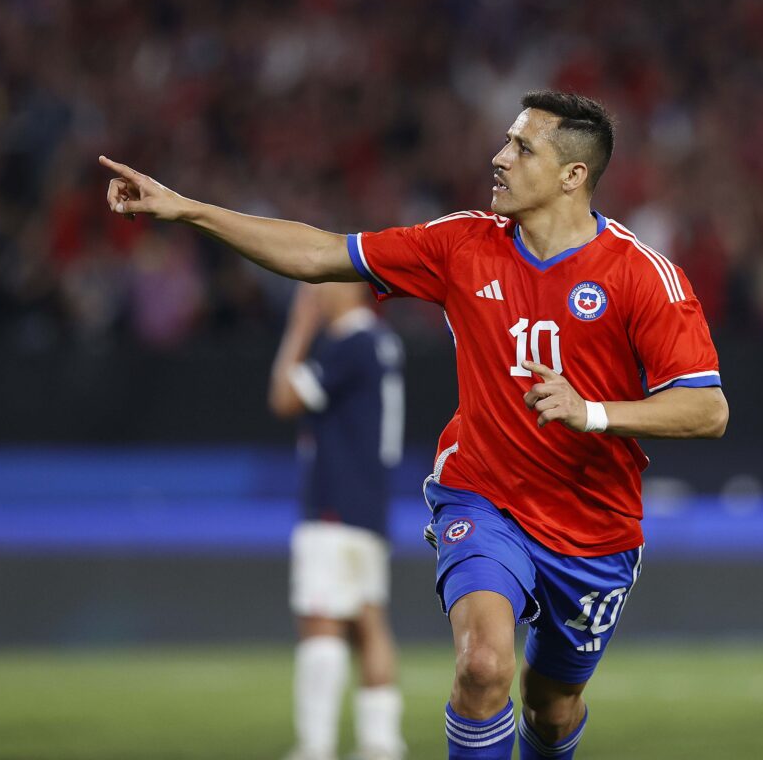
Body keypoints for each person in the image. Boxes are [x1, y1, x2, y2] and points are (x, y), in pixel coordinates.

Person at [100, 90, 728, 760]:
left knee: (551, 709)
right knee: (483, 666)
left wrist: (594, 413)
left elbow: (707, 409)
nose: (499, 157)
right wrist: (187, 209)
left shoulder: (642, 276)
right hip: (485, 498)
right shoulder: (461, 244)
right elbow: (320, 255)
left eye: (522, 147)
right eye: (505, 141)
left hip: (594, 526)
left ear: (574, 175)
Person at [269, 281, 407, 760]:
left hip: (335, 501)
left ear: (348, 289)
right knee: (369, 618)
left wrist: (298, 330)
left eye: (319, 284)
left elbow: (285, 397)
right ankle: (381, 742)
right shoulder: (381, 341)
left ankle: (316, 745)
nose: (311, 295)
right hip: (369, 500)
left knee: (322, 619)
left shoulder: (350, 343)